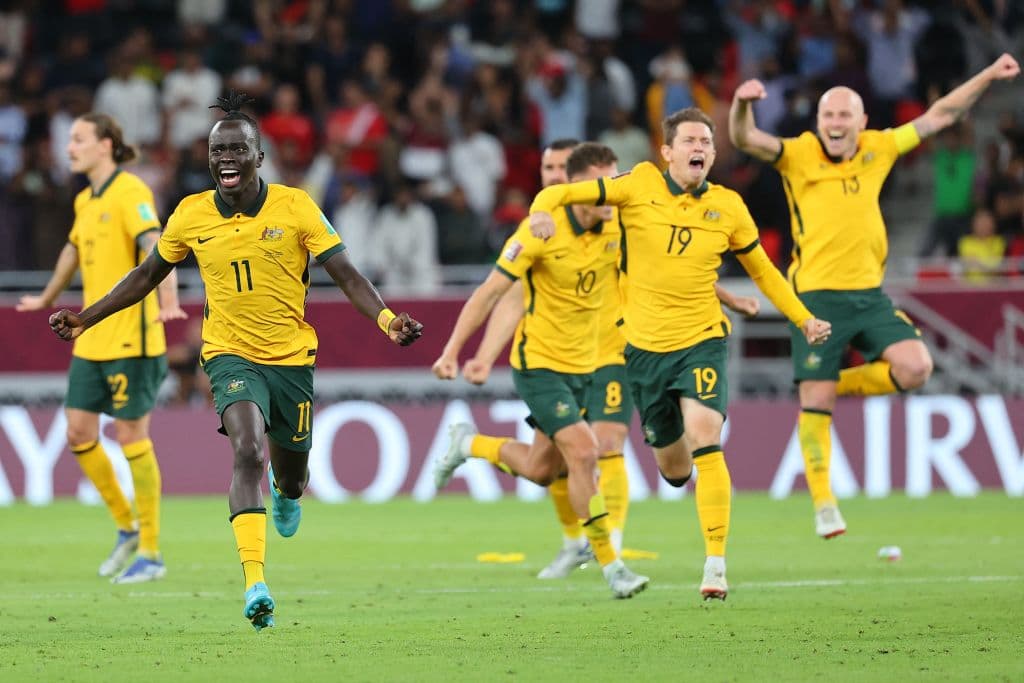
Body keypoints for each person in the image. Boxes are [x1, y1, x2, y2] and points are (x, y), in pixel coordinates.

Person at [47, 92, 423, 631]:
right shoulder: (190, 214)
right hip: (228, 354)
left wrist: (388, 320)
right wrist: (86, 317)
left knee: (290, 476)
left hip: (291, 359)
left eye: (237, 149)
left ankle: (287, 493)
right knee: (247, 451)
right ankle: (255, 583)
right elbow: (145, 276)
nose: (225, 158)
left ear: (259, 157)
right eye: (216, 149)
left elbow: (347, 275)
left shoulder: (295, 207)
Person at [526, 108, 831, 600]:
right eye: (689, 140)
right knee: (674, 468)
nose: (699, 148)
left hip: (703, 341)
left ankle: (715, 565)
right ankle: (680, 475)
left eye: (706, 142)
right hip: (644, 353)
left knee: (706, 435)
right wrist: (541, 208)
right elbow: (561, 190)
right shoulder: (636, 185)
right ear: (666, 151)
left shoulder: (729, 207)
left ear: (712, 153)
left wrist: (803, 317)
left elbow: (765, 271)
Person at [728, 52, 1021, 539]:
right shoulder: (798, 153)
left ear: (862, 121)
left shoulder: (879, 147)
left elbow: (941, 115)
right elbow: (744, 139)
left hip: (869, 295)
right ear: (818, 122)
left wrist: (988, 74)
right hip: (815, 298)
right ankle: (823, 503)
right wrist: (742, 105)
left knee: (916, 367)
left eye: (845, 115)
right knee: (816, 407)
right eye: (828, 115)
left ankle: (829, 384)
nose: (836, 122)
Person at [432, 142, 650, 599]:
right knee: (588, 453)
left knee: (540, 469)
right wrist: (456, 350)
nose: (611, 195)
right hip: (541, 369)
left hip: (590, 366)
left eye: (614, 184)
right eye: (601, 186)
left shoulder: (618, 226)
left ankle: (468, 443)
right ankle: (613, 567)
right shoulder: (537, 233)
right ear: (577, 188)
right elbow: (493, 293)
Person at [17, 113, 186, 583]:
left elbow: (157, 244)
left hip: (133, 337)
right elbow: (73, 251)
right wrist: (48, 298)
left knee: (132, 437)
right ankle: (126, 527)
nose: (69, 146)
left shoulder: (130, 191)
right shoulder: (85, 201)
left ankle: (151, 552)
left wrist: (168, 301)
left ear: (106, 144)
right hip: (90, 339)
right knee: (77, 434)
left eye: (78, 138)